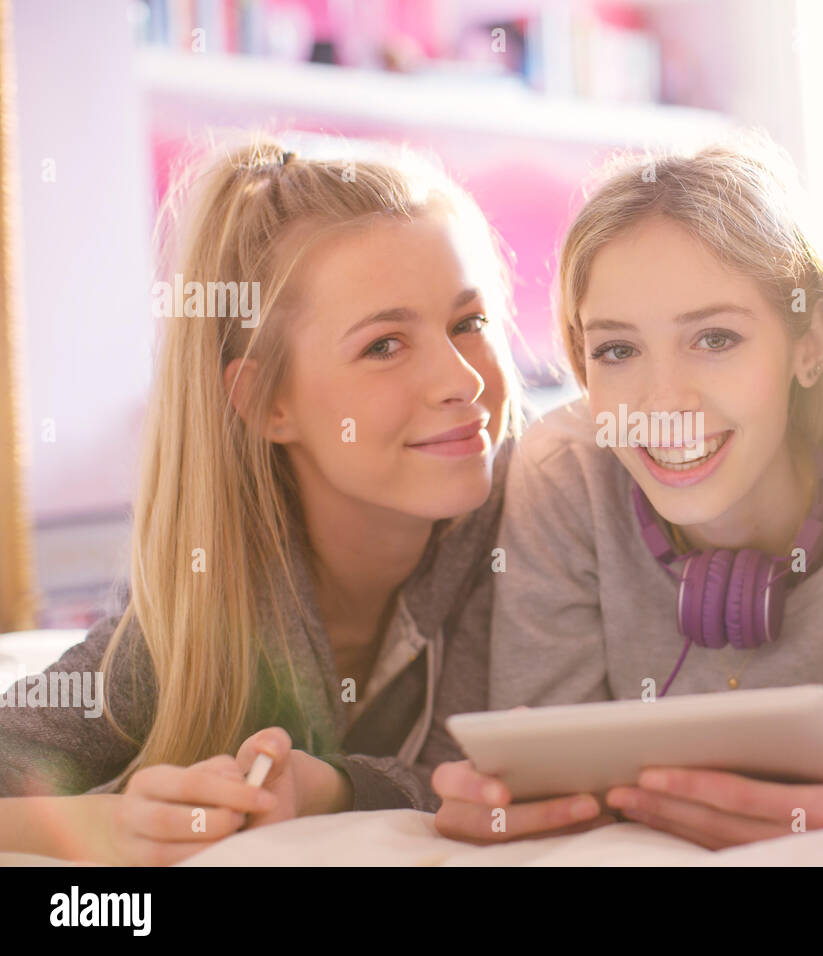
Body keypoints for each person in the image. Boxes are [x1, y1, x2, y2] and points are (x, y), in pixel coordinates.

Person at [0, 138, 520, 864]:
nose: (460, 378)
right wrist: (114, 825)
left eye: (469, 322)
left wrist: (332, 789)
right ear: (265, 402)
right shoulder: (195, 626)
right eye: (384, 346)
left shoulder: (548, 531)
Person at [433, 141, 823, 848]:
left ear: (810, 345)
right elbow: (549, 790)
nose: (663, 402)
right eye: (617, 350)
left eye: (714, 338)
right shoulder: (566, 473)